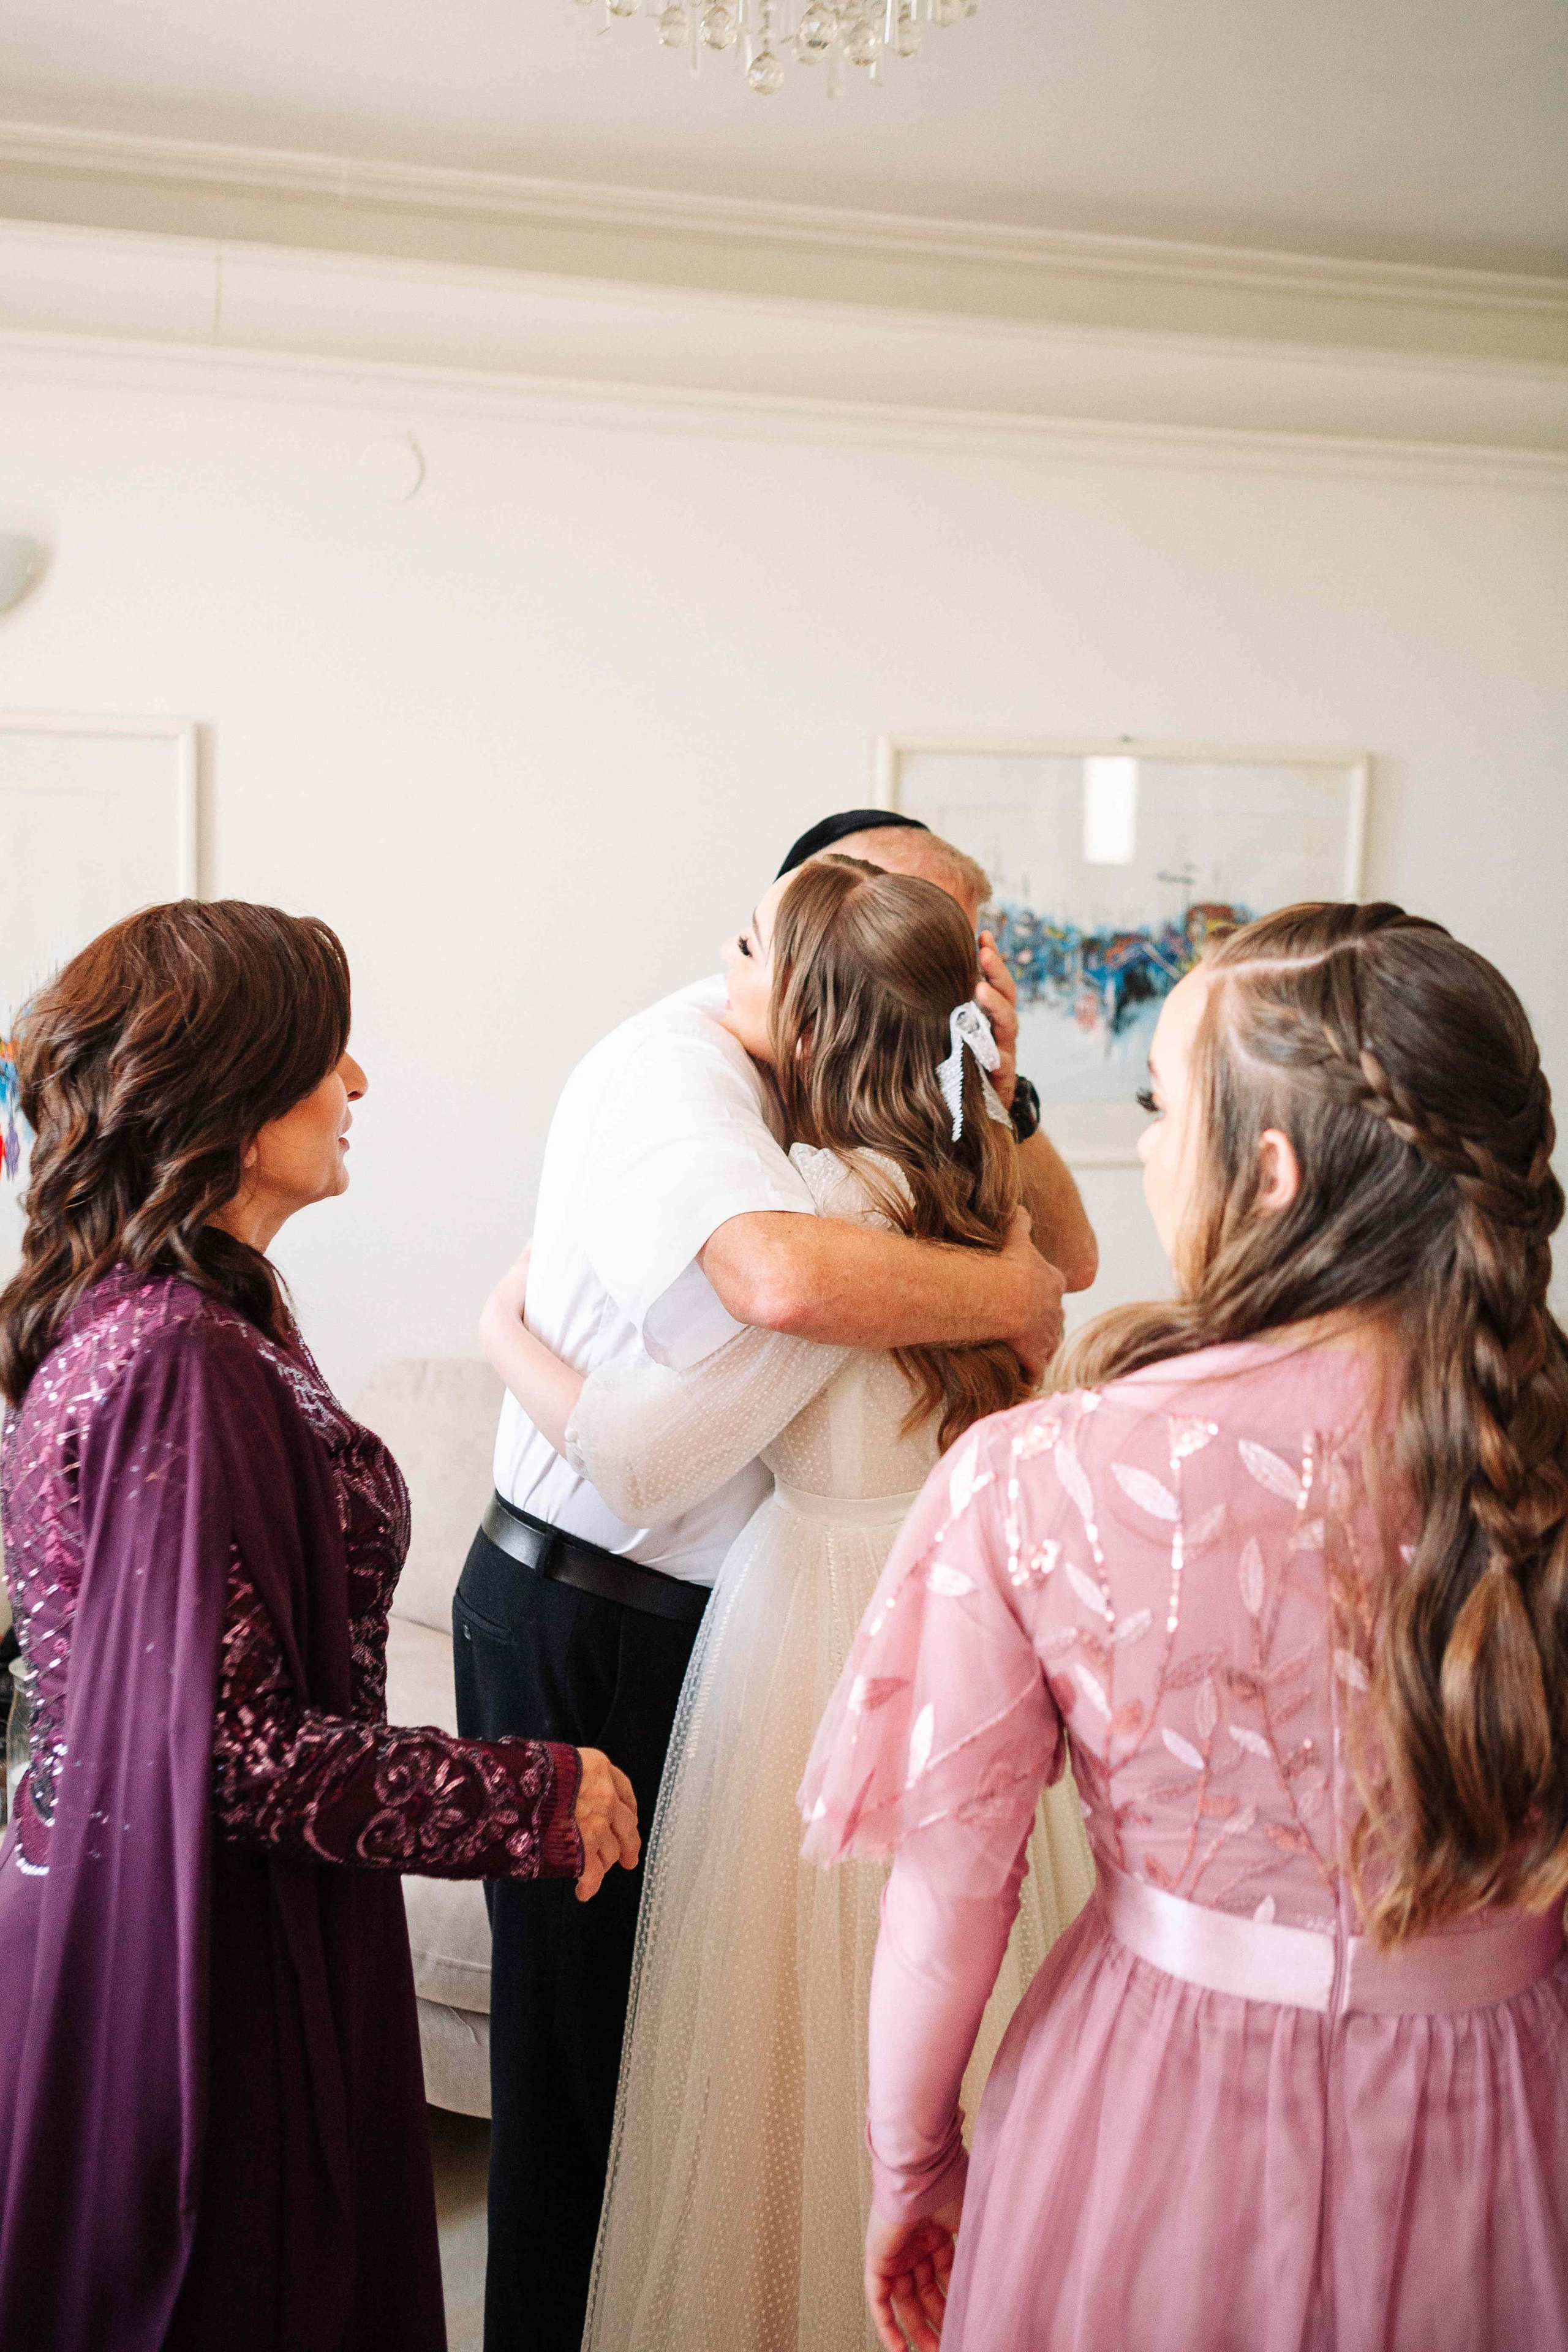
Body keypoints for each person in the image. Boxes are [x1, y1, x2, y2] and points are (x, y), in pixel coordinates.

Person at [801, 899, 1568, 2352]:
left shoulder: (1038, 1474)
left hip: (1154, 2107)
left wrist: (910, 2164)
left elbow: (946, 1900)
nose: (1150, 1146)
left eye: (1163, 1105)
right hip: (1514, 2105)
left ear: (1265, 1172)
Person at [457, 816, 1090, 2352]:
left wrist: (500, 1334)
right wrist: (1003, 1258)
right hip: (611, 1611)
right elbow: (1035, 1273)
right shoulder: (911, 1170)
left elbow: (653, 1445)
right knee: (622, 2061)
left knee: (745, 2053)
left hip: (802, 1623)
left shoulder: (849, 1190)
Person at [0, 901, 639, 2352]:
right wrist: (535, 1790)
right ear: (230, 1082)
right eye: (327, 1052)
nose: (357, 1085)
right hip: (198, 1962)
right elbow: (231, 1754)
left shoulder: (187, 1314)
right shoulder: (175, 1357)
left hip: (163, 1909)